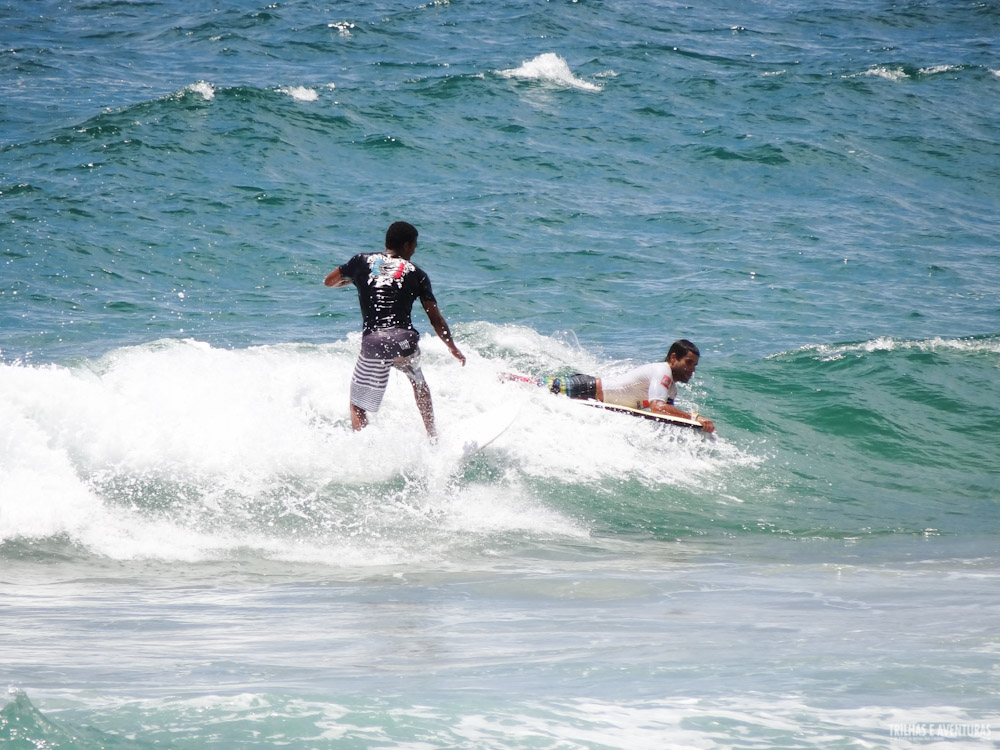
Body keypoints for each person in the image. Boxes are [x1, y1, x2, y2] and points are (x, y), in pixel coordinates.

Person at [324, 221, 465, 437]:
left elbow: (329, 282)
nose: (415, 251)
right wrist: (452, 346)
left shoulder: (360, 261)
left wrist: (354, 281)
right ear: (407, 245)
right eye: (415, 246)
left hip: (374, 343)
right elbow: (435, 319)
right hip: (404, 342)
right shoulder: (417, 273)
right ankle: (432, 437)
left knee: (357, 405)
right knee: (418, 382)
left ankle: (363, 447)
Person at [522, 339, 716, 433]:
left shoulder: (671, 387)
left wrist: (696, 425)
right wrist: (693, 417)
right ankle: (501, 378)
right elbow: (658, 408)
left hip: (591, 398)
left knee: (534, 391)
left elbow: (666, 415)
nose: (692, 370)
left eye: (695, 365)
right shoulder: (662, 372)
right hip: (585, 388)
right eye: (689, 363)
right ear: (674, 358)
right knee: (530, 386)